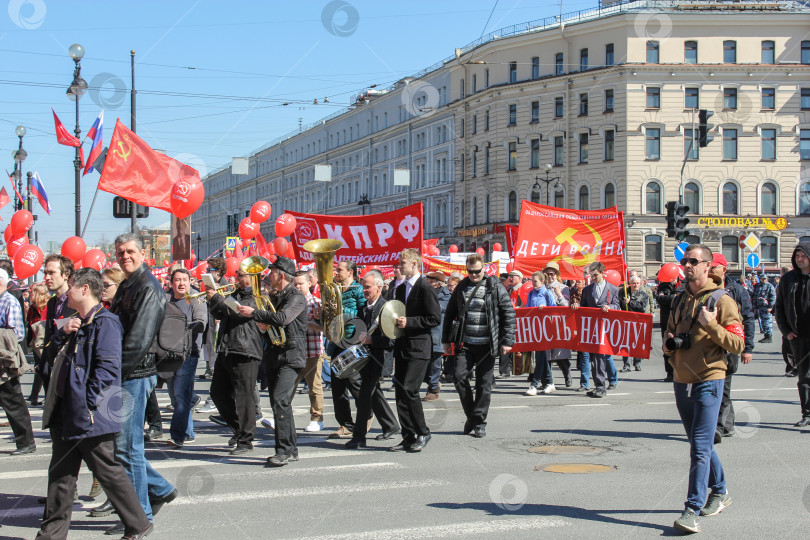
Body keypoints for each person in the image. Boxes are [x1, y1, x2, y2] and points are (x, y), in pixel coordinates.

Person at [36, 268, 152, 540]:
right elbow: (49, 362)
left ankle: (138, 523)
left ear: (85, 289)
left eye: (72, 286)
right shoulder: (76, 321)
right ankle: (51, 535)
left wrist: (88, 405)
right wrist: (61, 334)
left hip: (90, 414)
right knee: (61, 477)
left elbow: (107, 372)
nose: (68, 291)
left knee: (108, 471)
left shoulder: (106, 323)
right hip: (68, 411)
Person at [90, 234, 175, 534]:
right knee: (121, 449)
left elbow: (138, 341)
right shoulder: (128, 284)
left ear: (143, 253)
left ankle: (140, 518)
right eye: (120, 252)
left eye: (130, 251)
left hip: (132, 376)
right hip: (124, 375)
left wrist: (111, 376)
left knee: (127, 450)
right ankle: (160, 490)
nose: (124, 256)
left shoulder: (147, 287)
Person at [664, 244, 744, 533]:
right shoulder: (679, 299)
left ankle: (691, 510)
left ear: (707, 267)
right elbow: (670, 332)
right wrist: (669, 349)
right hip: (682, 379)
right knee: (700, 444)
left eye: (693, 261)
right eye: (685, 260)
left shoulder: (723, 301)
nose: (687, 265)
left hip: (710, 378)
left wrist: (711, 326)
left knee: (699, 447)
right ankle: (720, 490)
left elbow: (737, 344)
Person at [238, 256, 307, 466]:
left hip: (291, 355)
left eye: (273, 271)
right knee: (280, 403)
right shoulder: (276, 296)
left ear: (281, 275)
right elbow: (273, 324)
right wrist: (262, 325)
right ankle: (291, 449)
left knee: (280, 401)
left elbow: (282, 318)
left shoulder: (296, 297)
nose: (268, 275)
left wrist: (255, 313)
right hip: (275, 353)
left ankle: (284, 451)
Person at [443, 253, 515, 438]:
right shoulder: (462, 286)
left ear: (484, 268)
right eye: (470, 272)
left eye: (477, 271)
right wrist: (445, 341)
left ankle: (479, 422)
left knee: (484, 385)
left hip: (487, 344)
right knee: (458, 377)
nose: (474, 275)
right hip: (465, 343)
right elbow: (450, 313)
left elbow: (508, 313)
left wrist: (507, 341)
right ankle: (472, 417)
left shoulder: (495, 286)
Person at [207, 264, 263, 455]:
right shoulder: (235, 294)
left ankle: (246, 441)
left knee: (244, 398)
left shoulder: (258, 296)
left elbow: (238, 313)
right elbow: (220, 313)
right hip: (227, 349)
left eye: (240, 275)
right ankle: (239, 429)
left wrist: (216, 297)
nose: (236, 277)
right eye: (237, 274)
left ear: (251, 277)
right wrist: (211, 300)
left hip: (245, 350)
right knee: (217, 393)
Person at [389, 248, 441, 451]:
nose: (399, 266)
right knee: (401, 392)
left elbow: (434, 318)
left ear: (414, 264)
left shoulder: (425, 287)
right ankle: (408, 435)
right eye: (399, 263)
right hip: (403, 346)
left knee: (410, 389)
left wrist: (409, 321)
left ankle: (423, 432)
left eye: (403, 263)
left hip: (420, 347)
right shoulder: (401, 289)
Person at [345, 271, 400, 448]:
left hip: (379, 359)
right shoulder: (363, 308)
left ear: (379, 287)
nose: (364, 291)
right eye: (363, 287)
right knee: (373, 392)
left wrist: (371, 340)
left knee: (365, 395)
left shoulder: (387, 308)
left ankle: (359, 437)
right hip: (365, 358)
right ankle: (391, 425)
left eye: (368, 287)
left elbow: (392, 341)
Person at [708, 254, 755, 443]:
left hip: (729, 345)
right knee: (714, 387)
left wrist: (747, 348)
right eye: (709, 267)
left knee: (723, 386)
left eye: (714, 268)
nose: (710, 271)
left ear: (723, 269)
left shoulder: (736, 290)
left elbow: (748, 318)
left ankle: (720, 426)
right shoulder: (705, 287)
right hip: (710, 345)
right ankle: (725, 424)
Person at [165, 268, 206, 448]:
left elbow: (201, 322)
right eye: (177, 280)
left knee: (181, 395)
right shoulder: (165, 298)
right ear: (171, 283)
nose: (181, 283)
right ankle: (188, 431)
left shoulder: (196, 298)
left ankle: (178, 435)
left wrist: (184, 326)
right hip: (167, 353)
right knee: (176, 397)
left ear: (190, 282)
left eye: (185, 280)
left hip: (188, 353)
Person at [327, 260, 367, 439]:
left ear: (350, 272)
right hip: (338, 338)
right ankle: (345, 423)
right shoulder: (335, 289)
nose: (336, 272)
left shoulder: (358, 289)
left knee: (353, 381)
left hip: (353, 338)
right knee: (337, 384)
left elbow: (364, 314)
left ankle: (366, 415)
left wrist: (341, 310)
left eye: (339, 269)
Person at [773, 242, 810, 428]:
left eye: (803, 255)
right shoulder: (788, 279)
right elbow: (779, 308)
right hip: (797, 337)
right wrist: (786, 332)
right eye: (797, 256)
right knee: (804, 377)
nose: (799, 259)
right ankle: (807, 413)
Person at [571, 262, 620, 399]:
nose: (592, 278)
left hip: (606, 329)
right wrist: (577, 305)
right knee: (594, 358)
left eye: (595, 275)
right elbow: (584, 306)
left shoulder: (613, 289)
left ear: (602, 273)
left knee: (600, 358)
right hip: (592, 329)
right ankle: (598, 385)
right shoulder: (587, 290)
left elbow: (617, 306)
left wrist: (610, 307)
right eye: (590, 275)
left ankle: (601, 387)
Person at [0, 268, 35, 455]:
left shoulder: (8, 301)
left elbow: (18, 333)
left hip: (5, 360)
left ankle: (26, 442)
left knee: (13, 401)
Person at [290, 270, 325, 432]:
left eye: (301, 283)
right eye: (295, 284)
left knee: (315, 387)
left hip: (313, 350)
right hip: (293, 350)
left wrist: (305, 323)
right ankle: (284, 417)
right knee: (288, 387)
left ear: (310, 284)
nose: (297, 286)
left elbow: (324, 327)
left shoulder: (317, 303)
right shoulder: (289, 303)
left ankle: (317, 418)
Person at [523, 271, 557, 396]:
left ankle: (534, 384)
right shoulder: (531, 293)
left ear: (542, 282)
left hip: (545, 330)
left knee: (540, 356)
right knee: (541, 356)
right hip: (535, 328)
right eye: (532, 281)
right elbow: (528, 309)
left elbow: (554, 310)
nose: (533, 283)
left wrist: (545, 309)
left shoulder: (548, 293)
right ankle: (550, 382)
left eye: (535, 281)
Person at [543, 262, 573, 387]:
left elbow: (566, 305)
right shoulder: (542, 288)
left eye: (552, 274)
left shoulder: (563, 288)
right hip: (545, 325)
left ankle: (567, 376)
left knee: (561, 355)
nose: (550, 276)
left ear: (556, 275)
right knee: (546, 355)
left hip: (559, 324)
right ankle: (548, 381)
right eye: (548, 274)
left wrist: (559, 295)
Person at [424, 271, 450, 401]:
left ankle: (433, 388)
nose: (427, 282)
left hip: (437, 333)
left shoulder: (445, 295)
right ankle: (430, 383)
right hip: (423, 331)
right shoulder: (424, 292)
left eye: (431, 281)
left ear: (438, 284)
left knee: (435, 361)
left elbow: (437, 309)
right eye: (427, 280)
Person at [26, 281, 49, 406]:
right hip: (36, 343)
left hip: (46, 342)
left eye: (32, 293)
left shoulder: (48, 307)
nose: (30, 295)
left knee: (44, 369)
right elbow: (28, 322)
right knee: (39, 368)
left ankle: (43, 396)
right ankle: (34, 396)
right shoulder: (32, 309)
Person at [619, 275, 649, 372]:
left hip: (638, 322)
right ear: (630, 284)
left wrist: (630, 302)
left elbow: (642, 307)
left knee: (638, 343)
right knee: (625, 343)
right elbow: (619, 304)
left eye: (637, 283)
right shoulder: (624, 293)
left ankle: (637, 363)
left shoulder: (644, 295)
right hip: (626, 322)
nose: (635, 285)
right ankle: (626, 365)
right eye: (633, 283)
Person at [752, 274, 776, 343]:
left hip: (766, 307)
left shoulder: (769, 286)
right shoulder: (758, 286)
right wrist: (755, 307)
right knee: (762, 322)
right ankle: (766, 336)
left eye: (765, 278)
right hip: (759, 307)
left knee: (767, 322)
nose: (764, 280)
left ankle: (769, 336)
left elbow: (773, 297)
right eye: (762, 279)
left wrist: (770, 307)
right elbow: (755, 297)